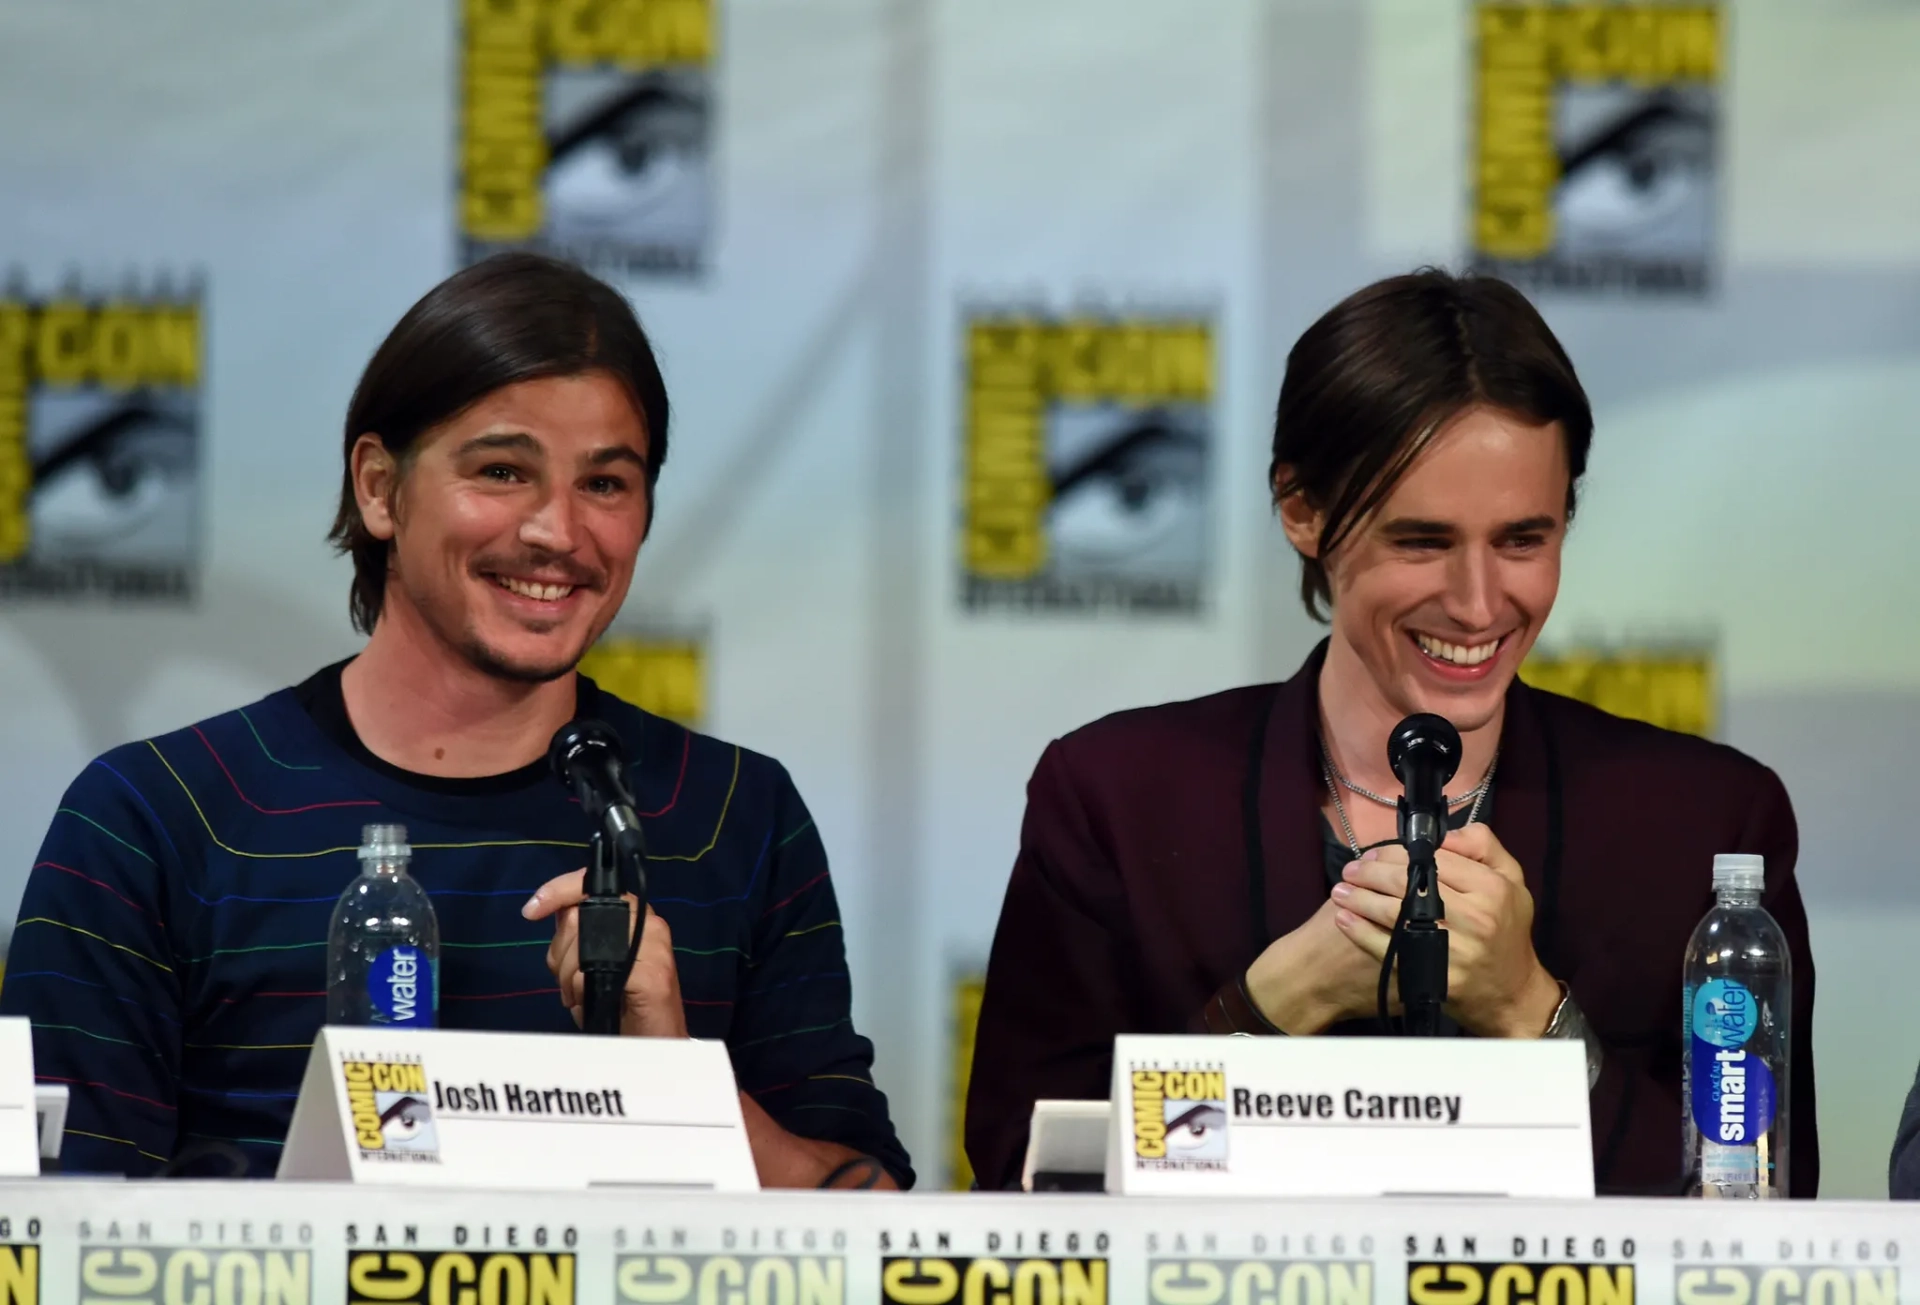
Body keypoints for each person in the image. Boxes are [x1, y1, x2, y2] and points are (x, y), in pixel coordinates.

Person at [0, 253, 910, 1187]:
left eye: (605, 484)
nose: (558, 531)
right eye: (504, 470)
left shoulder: (734, 814)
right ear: (379, 488)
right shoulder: (157, 819)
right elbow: (55, 1237)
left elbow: (872, 1223)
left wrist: (679, 1078)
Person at [964, 268, 1818, 1196]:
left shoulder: (1705, 824)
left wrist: (1533, 1012)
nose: (1481, 601)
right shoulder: (1119, 799)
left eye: (1523, 540)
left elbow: (1759, 1215)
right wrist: (1270, 1007)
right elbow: (1033, 1190)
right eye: (1423, 542)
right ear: (1304, 511)